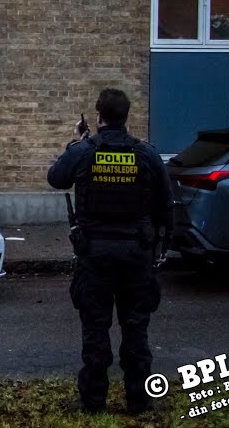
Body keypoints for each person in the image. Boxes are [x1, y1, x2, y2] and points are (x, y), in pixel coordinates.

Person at [46, 88, 173, 414]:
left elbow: (57, 178)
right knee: (136, 328)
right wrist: (161, 247)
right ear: (126, 117)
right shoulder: (146, 154)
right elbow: (164, 205)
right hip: (136, 254)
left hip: (95, 255)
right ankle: (139, 402)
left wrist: (76, 143)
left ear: (99, 117)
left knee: (96, 329)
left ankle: (92, 403)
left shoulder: (84, 151)